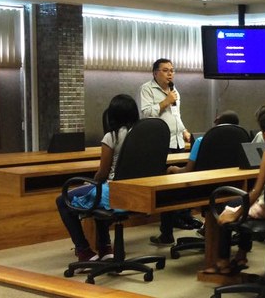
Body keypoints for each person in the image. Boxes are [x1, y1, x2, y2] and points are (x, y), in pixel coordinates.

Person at [208, 109, 265, 274]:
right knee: (243, 202)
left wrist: (235, 214)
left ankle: (222, 262)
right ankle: (241, 255)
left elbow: (257, 190)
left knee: (226, 209)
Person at [55, 94, 138, 263]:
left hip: (115, 190)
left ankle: (84, 250)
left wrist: (92, 180)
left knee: (62, 200)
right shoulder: (141, 134)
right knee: (98, 193)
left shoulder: (111, 137)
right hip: (138, 192)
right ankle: (105, 247)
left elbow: (103, 172)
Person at [150, 111, 240, 245]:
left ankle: (166, 235)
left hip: (200, 190)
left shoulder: (201, 141)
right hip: (229, 189)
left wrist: (173, 169)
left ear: (216, 122)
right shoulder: (240, 141)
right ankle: (206, 228)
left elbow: (187, 171)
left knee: (168, 182)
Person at [139, 58, 190, 151]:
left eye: (172, 71)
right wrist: (166, 102)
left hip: (178, 141)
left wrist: (184, 130)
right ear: (155, 73)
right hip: (159, 142)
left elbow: (176, 114)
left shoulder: (173, 89)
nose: (170, 74)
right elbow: (146, 114)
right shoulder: (147, 89)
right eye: (165, 71)